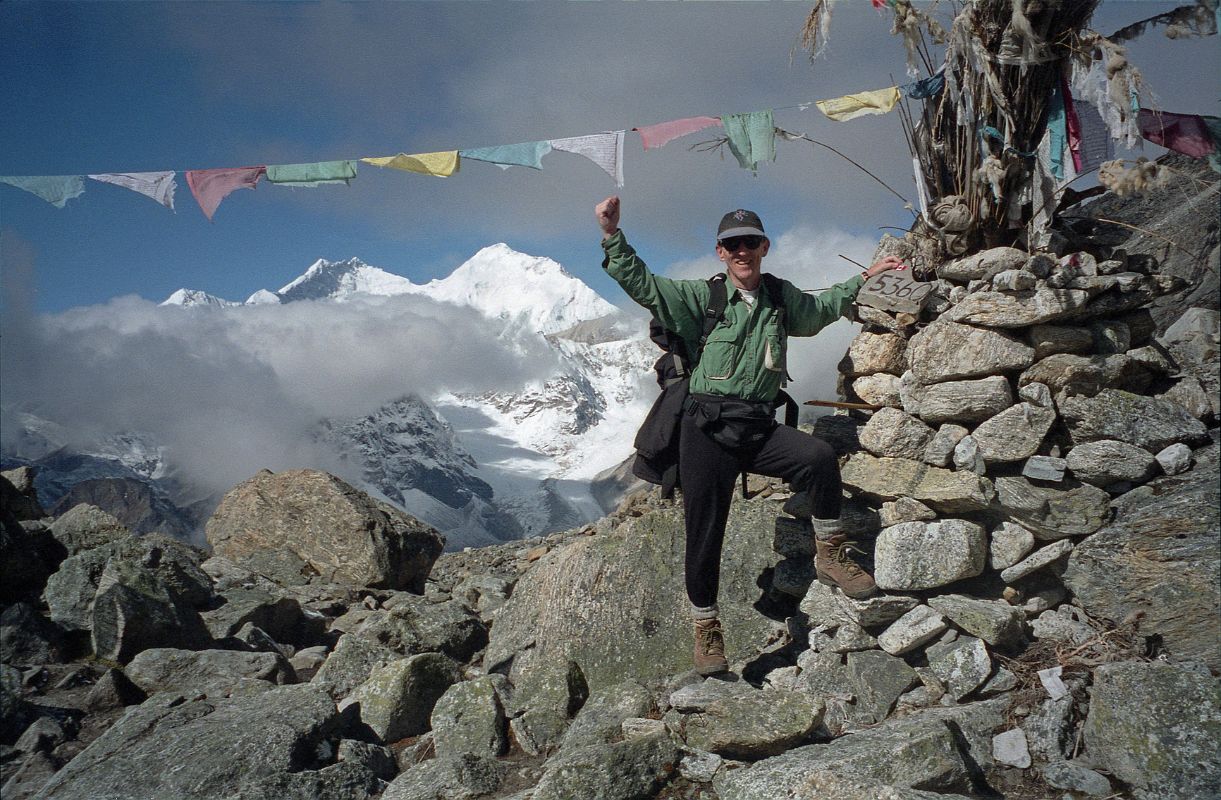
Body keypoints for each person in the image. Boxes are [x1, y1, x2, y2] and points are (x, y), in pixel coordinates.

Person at [595, 195, 906, 676]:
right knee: (705, 533)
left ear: (764, 247)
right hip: (705, 430)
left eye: (751, 243)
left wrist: (863, 281)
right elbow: (645, 286)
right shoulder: (702, 298)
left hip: (758, 426)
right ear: (721, 252)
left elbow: (823, 307)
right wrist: (613, 235)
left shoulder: (780, 300)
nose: (742, 251)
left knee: (819, 458)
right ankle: (707, 630)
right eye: (732, 244)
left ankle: (830, 555)